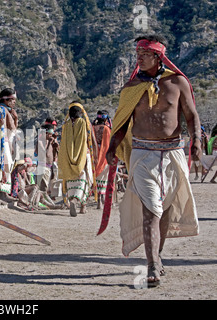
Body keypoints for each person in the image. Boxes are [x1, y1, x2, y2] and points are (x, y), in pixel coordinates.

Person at [105, 34, 200, 287]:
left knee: (165, 208)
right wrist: (112, 147)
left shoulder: (178, 82)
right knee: (151, 210)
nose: (139, 58)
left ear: (158, 56)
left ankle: (157, 255)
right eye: (137, 55)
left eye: (145, 54)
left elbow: (191, 116)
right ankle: (151, 265)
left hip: (172, 153)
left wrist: (197, 141)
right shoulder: (131, 87)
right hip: (142, 153)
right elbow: (122, 121)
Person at [58, 102, 96, 216]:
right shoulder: (84, 123)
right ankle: (81, 205)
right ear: (81, 113)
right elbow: (88, 139)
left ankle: (71, 200)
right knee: (85, 178)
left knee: (71, 179)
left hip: (68, 157)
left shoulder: (66, 125)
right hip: (83, 156)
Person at [93, 110, 112, 209]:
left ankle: (98, 201)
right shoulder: (107, 129)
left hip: (94, 156)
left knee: (97, 178)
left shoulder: (92, 128)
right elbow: (108, 145)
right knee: (104, 178)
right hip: (104, 156)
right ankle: (102, 199)